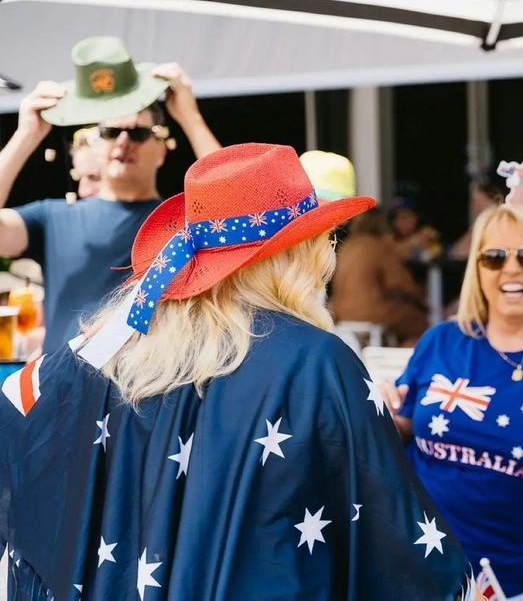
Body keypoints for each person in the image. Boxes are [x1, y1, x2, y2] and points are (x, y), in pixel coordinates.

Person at [0, 144, 479, 600]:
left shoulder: (113, 353)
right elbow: (401, 544)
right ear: (300, 251)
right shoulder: (316, 362)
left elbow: (17, 409)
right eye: (324, 236)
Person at [378, 202, 523, 600]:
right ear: (478, 271)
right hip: (407, 568)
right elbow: (401, 430)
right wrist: (379, 410)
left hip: (501, 585)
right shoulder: (442, 341)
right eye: (494, 257)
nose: (512, 269)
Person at [0, 36, 221, 356]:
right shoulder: (53, 217)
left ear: (161, 151)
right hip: (66, 396)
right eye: (111, 132)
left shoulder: (182, 216)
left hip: (155, 395)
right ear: (95, 143)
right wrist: (25, 136)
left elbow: (244, 205)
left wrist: (190, 117)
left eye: (138, 132)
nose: (124, 142)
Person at [330, 207, 429, 347]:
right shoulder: (378, 245)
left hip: (339, 313)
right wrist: (424, 300)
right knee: (419, 321)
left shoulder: (347, 245)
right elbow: (401, 283)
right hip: (369, 313)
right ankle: (402, 362)